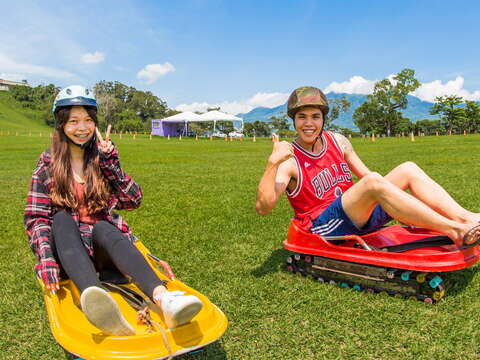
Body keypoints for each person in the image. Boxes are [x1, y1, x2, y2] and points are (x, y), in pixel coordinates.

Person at [25, 85, 202, 336]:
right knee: (61, 219)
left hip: (101, 250)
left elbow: (133, 200)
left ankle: (164, 300)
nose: (82, 127)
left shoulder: (103, 157)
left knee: (102, 225)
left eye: (88, 120)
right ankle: (96, 301)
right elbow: (36, 217)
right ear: (61, 125)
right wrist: (46, 258)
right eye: (73, 121)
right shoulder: (48, 163)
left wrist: (111, 166)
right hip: (68, 253)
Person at [256, 86, 480, 247]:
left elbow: (368, 177)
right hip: (326, 227)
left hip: (358, 214)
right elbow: (263, 207)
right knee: (372, 182)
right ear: (294, 121)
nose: (308, 123)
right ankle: (455, 230)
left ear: (323, 119)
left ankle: (467, 218)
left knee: (407, 169)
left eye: (315, 116)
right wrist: (272, 163)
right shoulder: (289, 160)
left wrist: (397, 203)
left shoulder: (339, 141)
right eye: (301, 117)